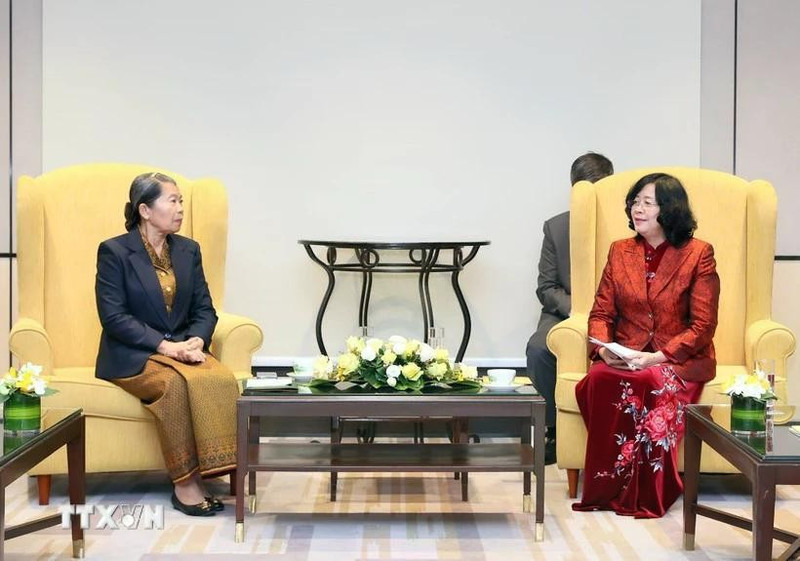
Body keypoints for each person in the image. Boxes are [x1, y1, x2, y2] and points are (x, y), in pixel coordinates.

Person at [572, 172, 720, 518]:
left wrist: (657, 357)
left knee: (651, 382)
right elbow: (601, 312)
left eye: (647, 203)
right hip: (628, 354)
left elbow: (703, 326)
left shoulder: (698, 254)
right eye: (635, 201)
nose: (637, 209)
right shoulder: (620, 251)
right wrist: (604, 348)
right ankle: (605, 488)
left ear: (669, 210)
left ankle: (648, 493)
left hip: (676, 359)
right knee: (598, 378)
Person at [95, 172, 239, 517]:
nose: (179, 209)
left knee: (220, 378)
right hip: (134, 355)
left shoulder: (189, 250)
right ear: (145, 210)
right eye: (172, 201)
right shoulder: (115, 251)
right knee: (173, 385)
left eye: (181, 201)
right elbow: (113, 317)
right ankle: (185, 484)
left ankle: (221, 467)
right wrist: (164, 347)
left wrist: (198, 339)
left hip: (183, 349)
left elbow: (205, 308)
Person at [526, 152, 614, 465]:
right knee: (539, 348)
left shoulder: (629, 225)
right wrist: (580, 311)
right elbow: (546, 288)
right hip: (567, 311)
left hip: (616, 312)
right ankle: (553, 430)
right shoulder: (557, 228)